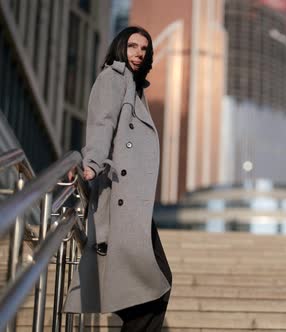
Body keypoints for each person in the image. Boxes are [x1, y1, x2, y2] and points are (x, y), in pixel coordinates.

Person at [64, 26, 173, 332]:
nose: (139, 53)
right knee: (155, 286)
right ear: (120, 47)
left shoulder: (133, 86)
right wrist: (92, 162)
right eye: (133, 46)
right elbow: (102, 123)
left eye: (144, 49)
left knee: (150, 289)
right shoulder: (112, 79)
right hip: (120, 199)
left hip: (132, 202)